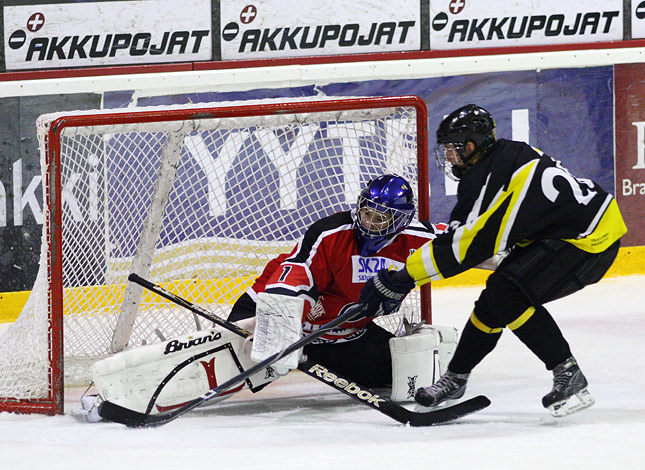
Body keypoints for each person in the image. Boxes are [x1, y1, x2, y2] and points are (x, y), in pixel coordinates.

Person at [358, 104, 627, 416]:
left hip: (588, 239)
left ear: (471, 147)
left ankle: (567, 372)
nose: (448, 157)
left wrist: (399, 279)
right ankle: (456, 377)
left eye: (452, 149)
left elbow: (463, 247)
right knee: (494, 301)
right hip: (581, 228)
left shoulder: (486, 178)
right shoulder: (510, 153)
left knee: (507, 292)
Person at [227, 174, 445, 388]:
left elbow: (461, 244)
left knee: (397, 373)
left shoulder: (418, 240)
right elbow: (295, 280)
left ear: (401, 221)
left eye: (380, 219)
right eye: (367, 213)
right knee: (228, 363)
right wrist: (278, 331)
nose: (369, 223)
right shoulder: (331, 233)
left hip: (340, 335)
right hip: (268, 310)